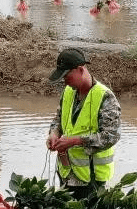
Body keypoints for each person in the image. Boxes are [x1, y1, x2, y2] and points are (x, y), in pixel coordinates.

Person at [45, 47, 121, 199]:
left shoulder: (105, 97)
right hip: (67, 173)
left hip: (92, 181)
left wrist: (74, 141)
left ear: (80, 69)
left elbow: (110, 137)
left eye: (67, 76)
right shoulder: (68, 92)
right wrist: (54, 134)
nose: (65, 82)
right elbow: (58, 119)